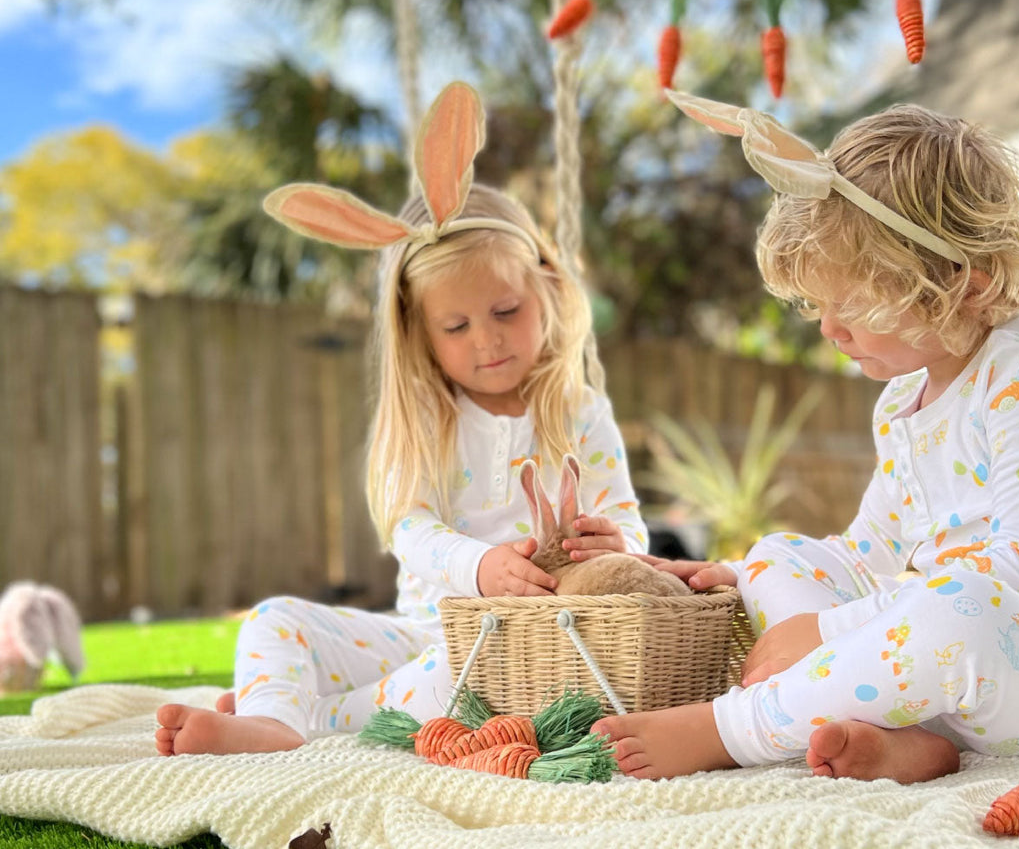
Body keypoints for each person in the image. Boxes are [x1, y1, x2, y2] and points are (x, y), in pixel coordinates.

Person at [594, 90, 1019, 783]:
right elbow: (869, 554)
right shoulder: (905, 399)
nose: (829, 329)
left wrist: (825, 633)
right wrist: (744, 578)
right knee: (780, 553)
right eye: (820, 305)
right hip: (965, 669)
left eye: (854, 304)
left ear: (963, 285)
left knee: (959, 607)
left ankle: (735, 728)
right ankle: (912, 742)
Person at [156, 83, 649, 756]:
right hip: (421, 630)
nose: (488, 341)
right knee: (274, 621)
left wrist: (613, 543)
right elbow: (411, 529)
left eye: (506, 311)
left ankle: (302, 716)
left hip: (518, 649)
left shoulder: (578, 411)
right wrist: (480, 568)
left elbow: (631, 528)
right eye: (456, 325)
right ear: (420, 333)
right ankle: (273, 715)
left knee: (469, 682)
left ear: (548, 290)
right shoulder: (429, 416)